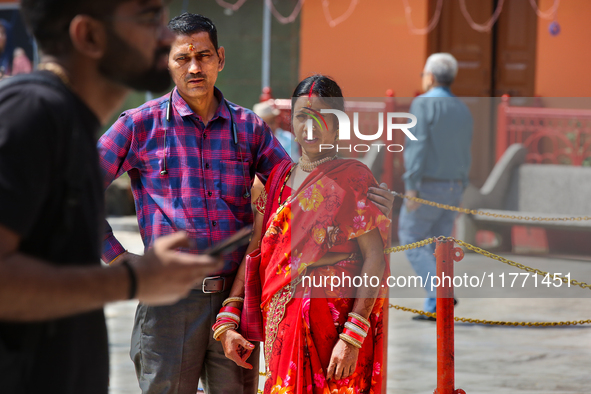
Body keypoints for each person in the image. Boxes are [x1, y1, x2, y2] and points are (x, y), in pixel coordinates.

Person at [97, 13, 395, 394]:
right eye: (181, 58)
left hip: (236, 305)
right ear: (163, 63)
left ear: (220, 58)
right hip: (169, 302)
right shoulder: (140, 125)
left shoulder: (248, 127)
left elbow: (301, 190)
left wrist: (366, 199)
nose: (194, 67)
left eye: (203, 56)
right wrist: (122, 261)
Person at [0, 1, 222, 393]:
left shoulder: (69, 122)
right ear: (89, 36)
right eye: (148, 18)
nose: (167, 37)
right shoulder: (31, 113)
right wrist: (130, 277)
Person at [217, 75, 390, 393]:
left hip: (336, 331)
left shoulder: (354, 178)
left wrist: (353, 335)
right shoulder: (276, 180)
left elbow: (375, 256)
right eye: (301, 116)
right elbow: (256, 252)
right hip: (282, 324)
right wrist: (229, 314)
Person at [397, 53, 473, 320]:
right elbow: (466, 153)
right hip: (454, 187)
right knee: (440, 246)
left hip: (427, 186)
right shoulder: (463, 109)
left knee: (410, 238)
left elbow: (416, 147)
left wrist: (412, 185)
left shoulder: (423, 104)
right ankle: (436, 307)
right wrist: (462, 187)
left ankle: (441, 295)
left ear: (429, 76)